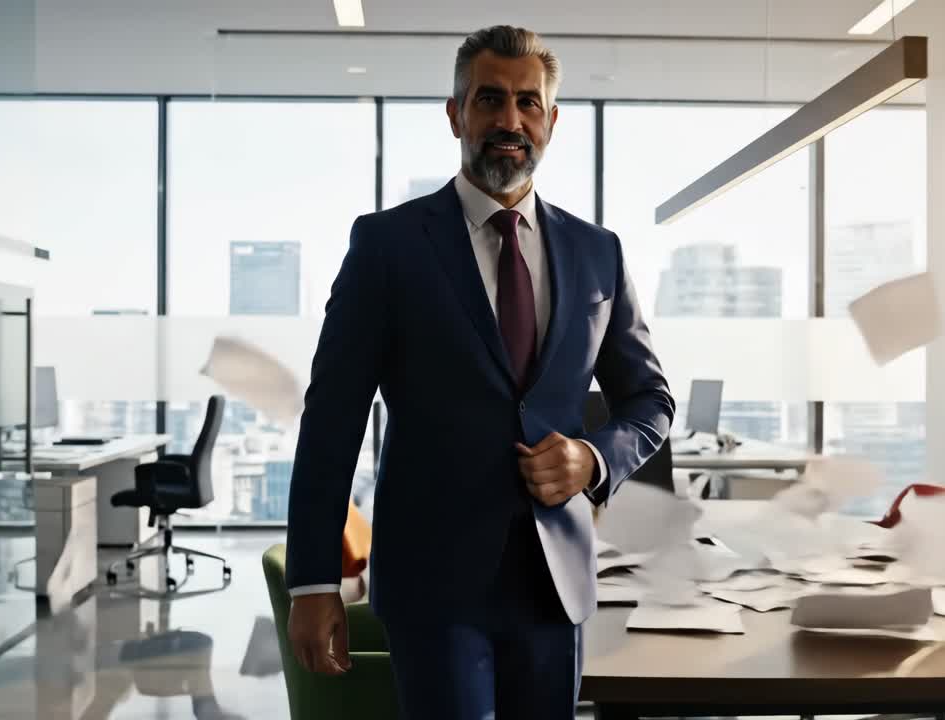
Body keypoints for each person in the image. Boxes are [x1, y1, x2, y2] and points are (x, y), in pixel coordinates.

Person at [285, 24, 674, 720]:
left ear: (550, 121)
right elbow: (332, 420)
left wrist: (591, 458)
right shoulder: (387, 246)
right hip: (434, 583)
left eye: (528, 103)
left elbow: (649, 399)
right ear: (455, 113)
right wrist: (312, 583)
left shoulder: (598, 253)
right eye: (490, 99)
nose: (509, 119)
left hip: (555, 583)